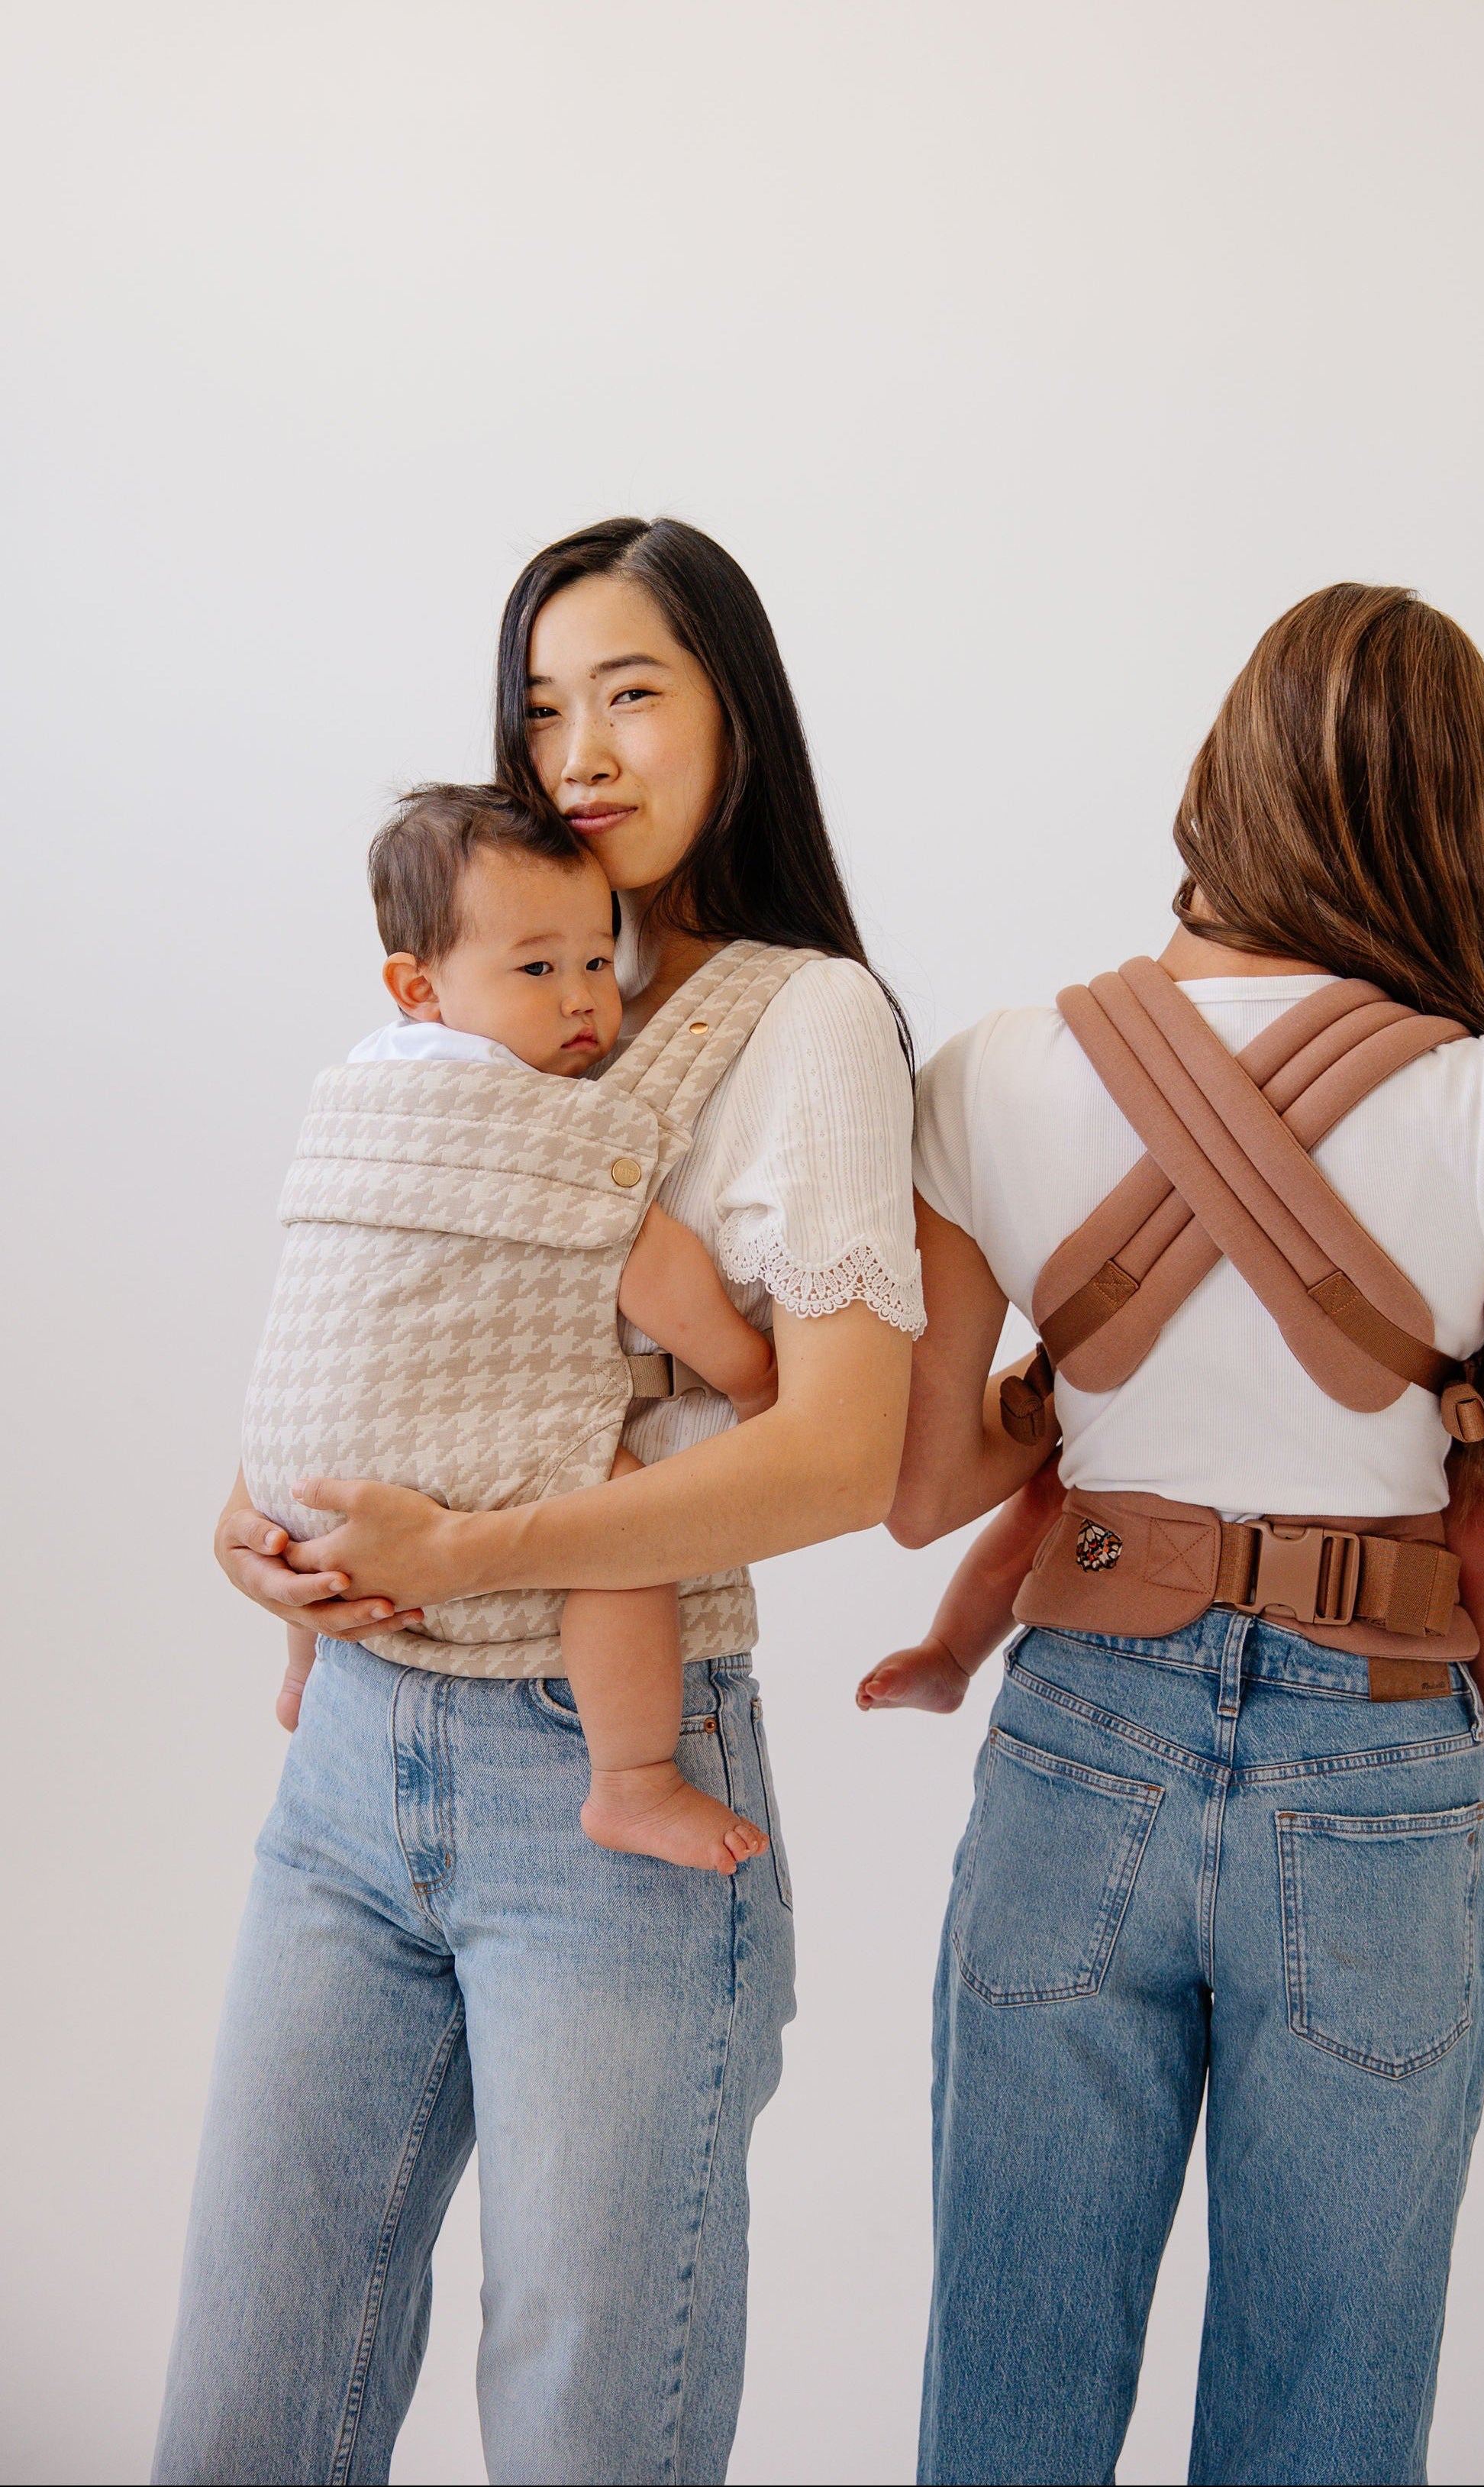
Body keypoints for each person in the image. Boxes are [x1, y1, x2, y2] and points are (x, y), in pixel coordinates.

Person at [154, 518, 924, 2486]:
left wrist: (470, 1555)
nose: (581, 745)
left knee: (591, 2427)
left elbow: (837, 1451)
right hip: (347, 1761)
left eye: (634, 692)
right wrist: (256, 1532)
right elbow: (387, 1307)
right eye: (544, 704)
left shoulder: (809, 1021)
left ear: (733, 711)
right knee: (247, 2395)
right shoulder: (477, 994)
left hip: (607, 1783)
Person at [879, 583, 1484, 2485]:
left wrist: (1073, 1397)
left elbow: (916, 1495)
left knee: (1013, 2381)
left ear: (1221, 777)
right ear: (1452, 819)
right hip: (1381, 1767)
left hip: (1081, 1741)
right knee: (1331, 2398)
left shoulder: (990, 1072)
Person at [257, 780, 780, 1871]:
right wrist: (749, 1370)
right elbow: (647, 1257)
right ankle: (632, 1777)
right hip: (426, 1466)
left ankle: (309, 1666)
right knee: (625, 1508)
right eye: (537, 968)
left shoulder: (366, 1080)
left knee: (339, 1469)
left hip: (289, 1463)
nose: (584, 997)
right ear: (419, 988)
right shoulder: (537, 1110)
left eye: (598, 959)